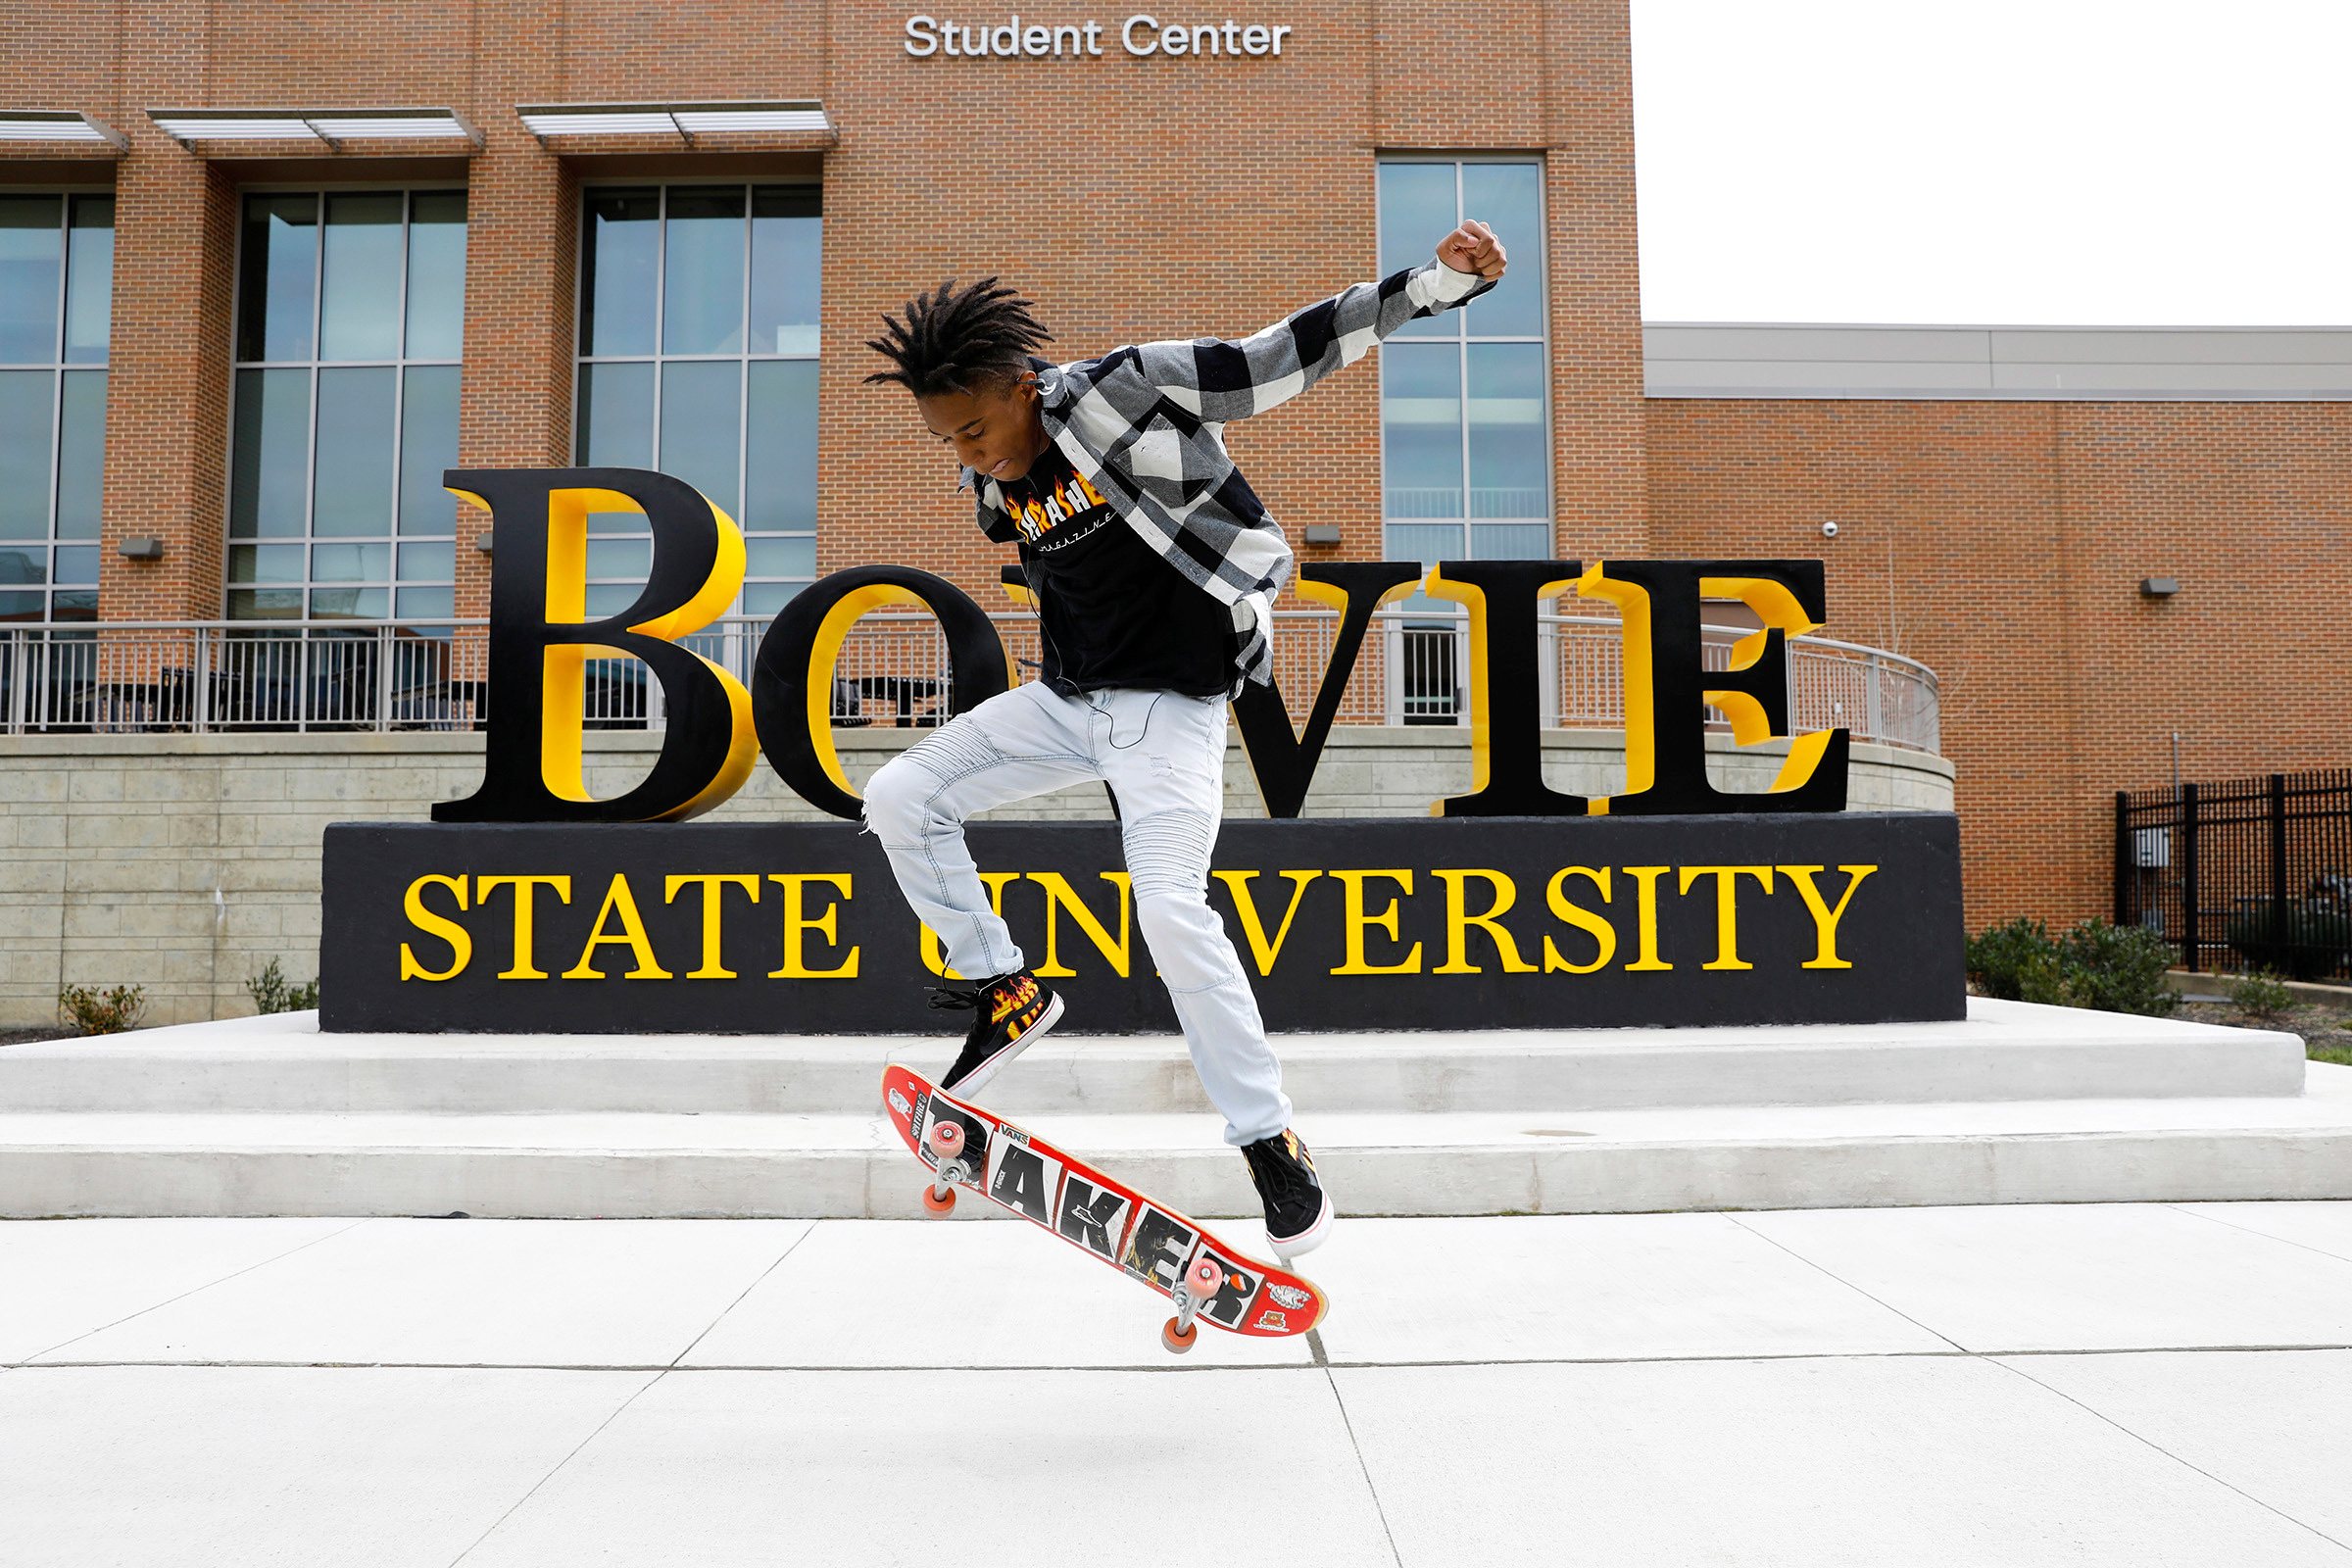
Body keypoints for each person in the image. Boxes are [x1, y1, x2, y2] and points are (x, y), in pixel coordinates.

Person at [858, 220, 1508, 1258]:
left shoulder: (1123, 389)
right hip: (1070, 703)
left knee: (1167, 907)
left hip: (1171, 709)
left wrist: (1433, 285)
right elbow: (1026, 536)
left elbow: (1277, 356)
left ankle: (1270, 1142)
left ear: (1024, 382)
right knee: (900, 795)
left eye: (977, 430)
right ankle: (1003, 986)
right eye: (950, 442)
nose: (972, 456)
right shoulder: (993, 482)